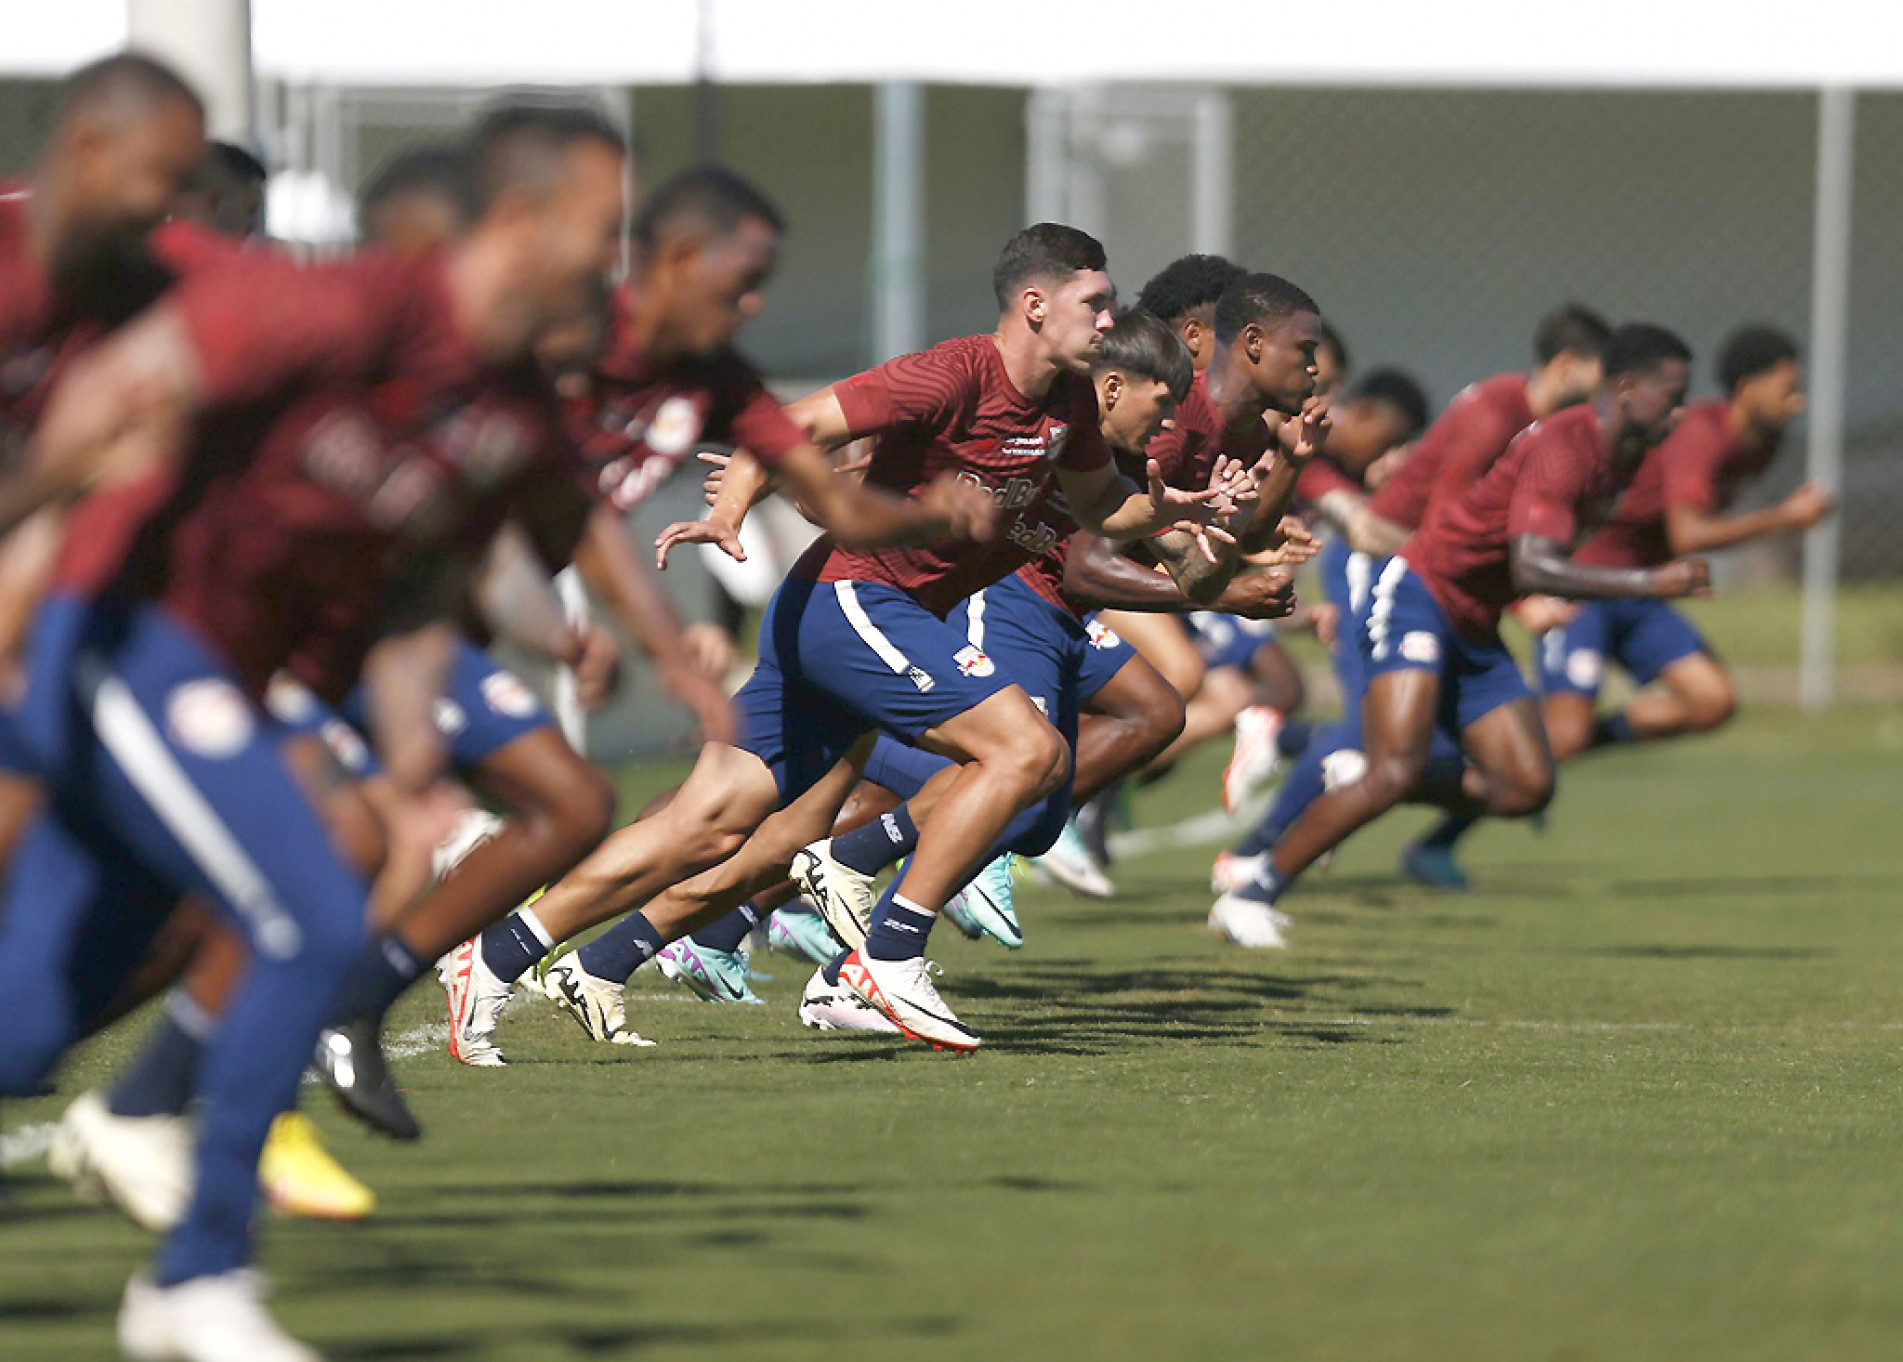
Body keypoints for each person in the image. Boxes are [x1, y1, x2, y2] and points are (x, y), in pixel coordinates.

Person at [0, 95, 641, 1362]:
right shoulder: (343, 308)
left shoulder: (509, 420)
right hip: (128, 636)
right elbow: (120, 398)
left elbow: (413, 596)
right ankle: (195, 1281)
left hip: (223, 680)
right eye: (598, 221)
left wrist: (407, 745)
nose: (607, 250)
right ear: (517, 218)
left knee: (24, 1024)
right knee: (305, 913)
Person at [453, 223, 1237, 1055]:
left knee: (707, 827)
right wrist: (728, 511)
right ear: (1035, 305)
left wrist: (1175, 512)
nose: (1109, 319)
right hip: (855, 599)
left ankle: (494, 958)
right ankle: (888, 957)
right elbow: (793, 429)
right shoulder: (954, 371)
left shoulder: (1070, 405)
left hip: (856, 616)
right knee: (1026, 752)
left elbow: (1104, 511)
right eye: (1097, 302)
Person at [1207, 324, 1710, 948]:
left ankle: (1357, 764)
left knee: (1526, 785)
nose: (1683, 410)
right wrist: (1648, 581)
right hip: (1420, 594)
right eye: (1674, 393)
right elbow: (1530, 564)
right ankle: (1253, 891)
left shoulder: (1624, 454)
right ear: (1628, 389)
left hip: (1474, 619)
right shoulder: (1565, 443)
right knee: (1390, 770)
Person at [1538, 324, 1831, 761]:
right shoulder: (1703, 434)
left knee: (1712, 702)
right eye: (1788, 388)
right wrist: (1784, 518)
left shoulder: (1762, 445)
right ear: (1748, 388)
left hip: (1640, 588)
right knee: (1560, 740)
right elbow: (1688, 532)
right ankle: (1518, 751)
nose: (1798, 401)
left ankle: (1556, 745)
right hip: (1586, 583)